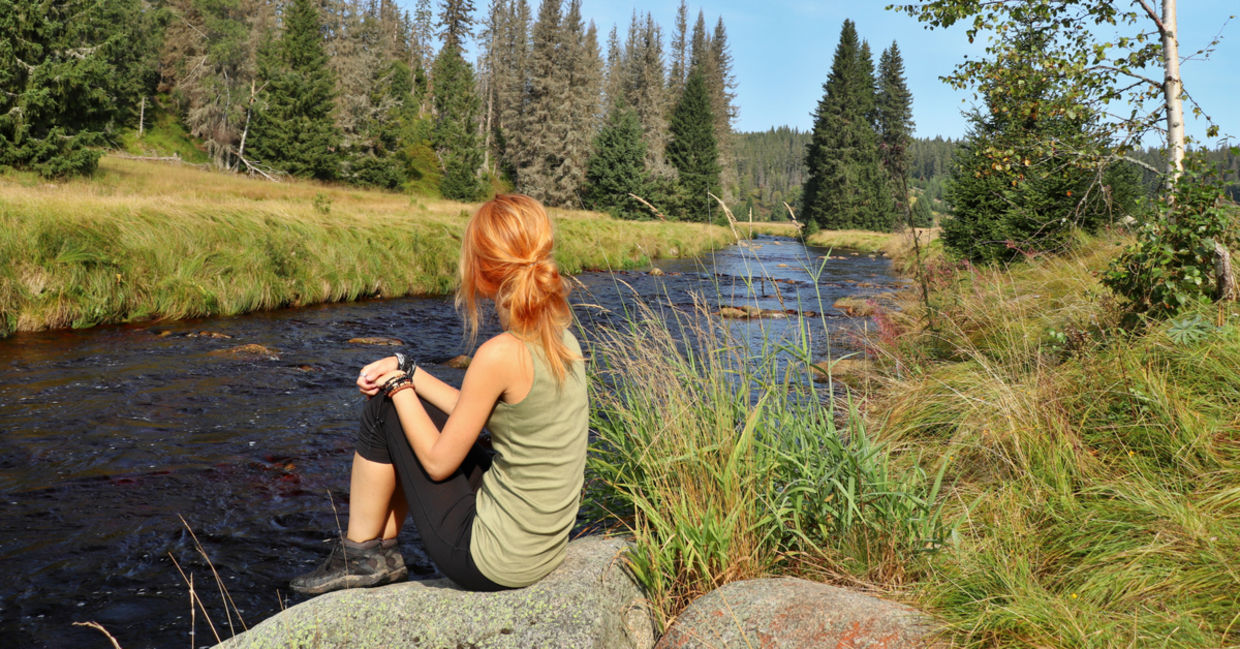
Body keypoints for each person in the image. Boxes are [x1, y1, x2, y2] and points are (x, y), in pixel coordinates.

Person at [291, 194, 589, 595]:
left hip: (490, 561)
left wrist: (395, 387)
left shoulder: (499, 353)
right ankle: (381, 554)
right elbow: (470, 410)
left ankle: (360, 555)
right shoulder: (561, 337)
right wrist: (408, 371)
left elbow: (436, 463)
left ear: (484, 271)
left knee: (385, 405)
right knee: (413, 401)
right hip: (540, 547)